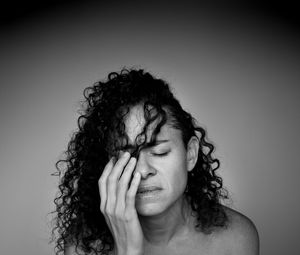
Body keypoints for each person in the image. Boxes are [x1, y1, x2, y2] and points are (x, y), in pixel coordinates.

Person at [52, 68, 259, 255]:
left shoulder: (235, 239)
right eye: (127, 156)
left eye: (159, 152)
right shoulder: (84, 247)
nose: (142, 170)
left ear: (190, 154)